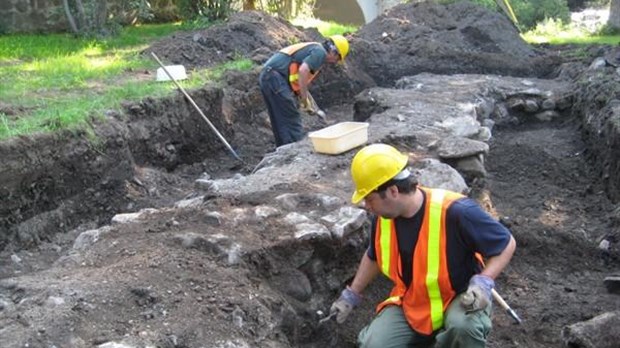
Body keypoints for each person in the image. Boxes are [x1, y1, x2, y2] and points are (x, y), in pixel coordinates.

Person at [330, 143, 517, 348]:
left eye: (369, 198)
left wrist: (483, 282)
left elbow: (506, 243)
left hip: (460, 297)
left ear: (392, 191)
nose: (366, 205)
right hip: (413, 301)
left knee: (464, 328)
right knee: (373, 344)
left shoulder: (457, 211)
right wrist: (351, 295)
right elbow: (374, 255)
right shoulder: (383, 217)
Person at [259, 35, 349, 147]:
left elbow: (296, 75)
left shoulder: (314, 49)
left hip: (268, 77)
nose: (335, 62)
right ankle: (293, 152)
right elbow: (303, 70)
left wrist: (301, 96)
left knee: (280, 119)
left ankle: (283, 151)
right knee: (291, 117)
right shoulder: (320, 52)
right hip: (275, 78)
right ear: (333, 51)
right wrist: (304, 98)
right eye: (338, 59)